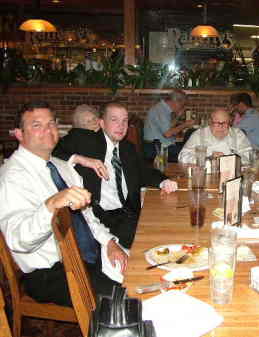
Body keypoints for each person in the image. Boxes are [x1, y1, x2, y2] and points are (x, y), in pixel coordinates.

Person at [0, 101, 127, 307]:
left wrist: (109, 242)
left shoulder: (63, 167)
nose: (47, 130)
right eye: (36, 125)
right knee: (123, 303)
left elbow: (87, 217)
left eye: (51, 123)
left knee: (143, 275)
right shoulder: (12, 177)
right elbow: (18, 240)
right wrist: (51, 205)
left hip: (88, 256)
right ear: (19, 134)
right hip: (49, 272)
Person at [53, 101, 177, 248]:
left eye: (124, 121)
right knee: (152, 242)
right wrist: (81, 159)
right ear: (102, 123)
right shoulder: (84, 140)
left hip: (130, 213)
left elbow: (144, 171)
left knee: (169, 227)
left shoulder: (127, 148)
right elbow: (53, 150)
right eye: (114, 120)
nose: (121, 126)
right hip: (101, 216)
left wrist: (164, 182)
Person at [178, 108, 252, 164]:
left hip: (232, 176)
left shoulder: (238, 134)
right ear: (210, 123)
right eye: (217, 123)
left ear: (229, 123)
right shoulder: (199, 134)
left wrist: (229, 159)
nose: (221, 126)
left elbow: (250, 156)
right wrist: (207, 159)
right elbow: (182, 156)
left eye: (224, 123)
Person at [143, 90, 195, 162]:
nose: (182, 107)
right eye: (182, 105)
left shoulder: (163, 109)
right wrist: (185, 124)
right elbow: (167, 134)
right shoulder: (160, 110)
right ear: (176, 102)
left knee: (187, 149)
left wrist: (178, 116)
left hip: (161, 145)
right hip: (155, 148)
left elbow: (169, 127)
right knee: (189, 154)